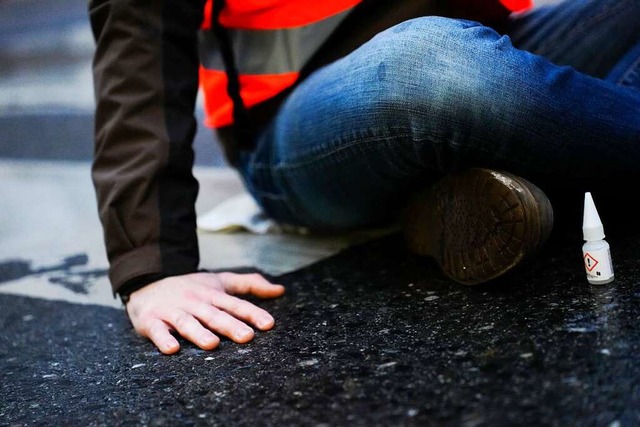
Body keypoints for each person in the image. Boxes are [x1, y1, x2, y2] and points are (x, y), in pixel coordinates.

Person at [88, 0, 640, 355]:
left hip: (493, 47)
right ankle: (568, 159)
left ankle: (456, 192)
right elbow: (138, 42)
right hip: (303, 129)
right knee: (431, 62)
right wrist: (152, 266)